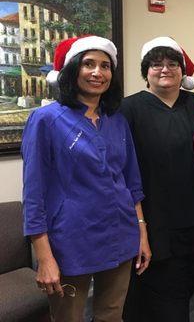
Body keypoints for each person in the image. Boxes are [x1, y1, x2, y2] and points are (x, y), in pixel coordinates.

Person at [22, 35, 150, 322]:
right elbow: (33, 195)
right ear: (72, 70)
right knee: (68, 317)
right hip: (70, 242)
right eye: (88, 64)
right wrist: (44, 257)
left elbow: (132, 183)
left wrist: (141, 233)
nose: (97, 72)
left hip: (121, 233)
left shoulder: (116, 120)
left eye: (105, 66)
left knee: (111, 315)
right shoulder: (46, 120)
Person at [121, 37, 194, 321]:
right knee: (159, 297)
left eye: (173, 64)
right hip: (153, 222)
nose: (165, 69)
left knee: (187, 288)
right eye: (156, 64)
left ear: (183, 71)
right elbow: (122, 168)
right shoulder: (127, 110)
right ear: (145, 71)